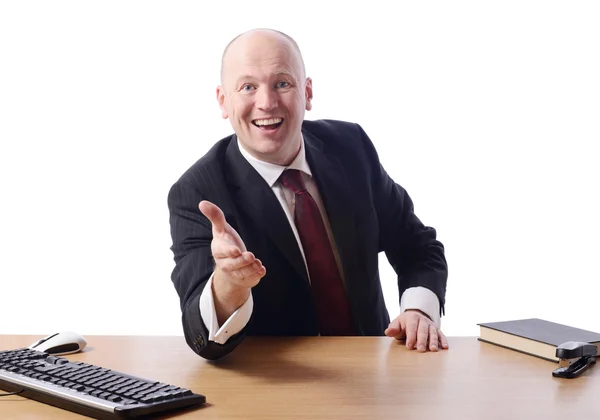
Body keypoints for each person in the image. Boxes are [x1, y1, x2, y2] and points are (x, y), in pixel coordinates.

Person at [168, 28, 449, 360]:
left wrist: (419, 311)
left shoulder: (350, 146)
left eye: (282, 83)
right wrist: (229, 284)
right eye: (248, 87)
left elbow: (417, 246)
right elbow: (202, 337)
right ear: (223, 101)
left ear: (308, 92)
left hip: (372, 371)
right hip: (278, 387)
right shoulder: (197, 191)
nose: (266, 102)